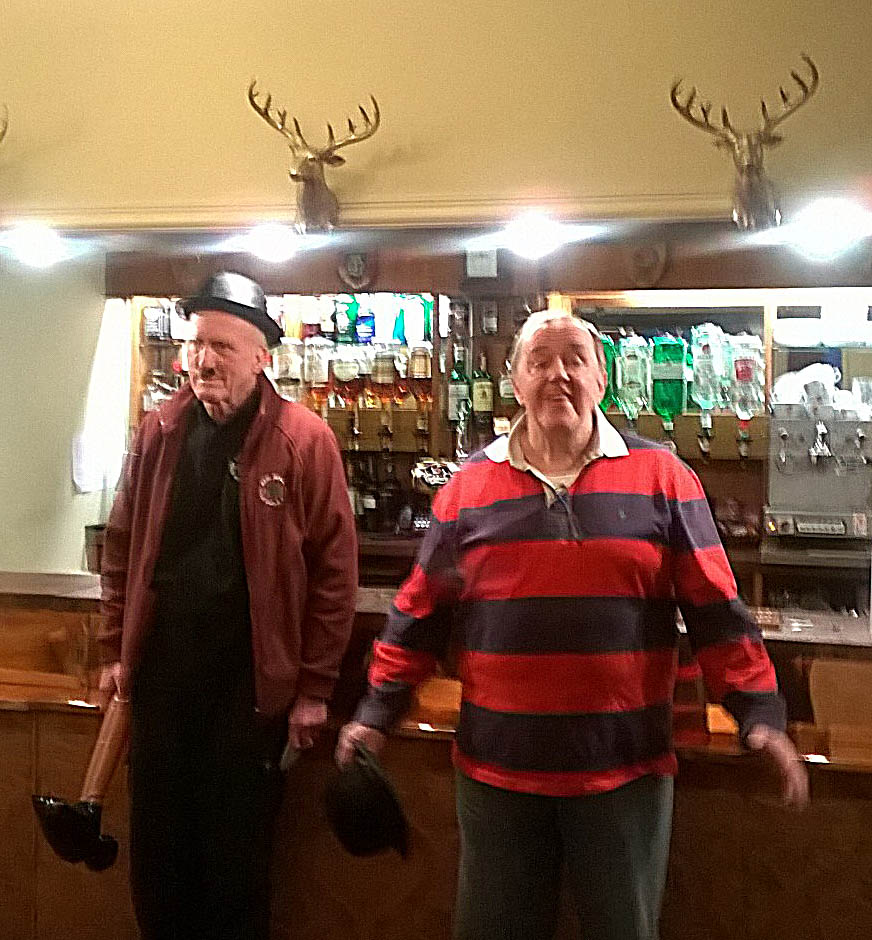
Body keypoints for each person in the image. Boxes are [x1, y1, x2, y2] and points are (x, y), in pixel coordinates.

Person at [337, 309, 807, 940]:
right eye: (540, 362)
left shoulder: (664, 478)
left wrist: (760, 717)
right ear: (514, 382)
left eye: (574, 360)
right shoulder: (467, 488)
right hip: (497, 773)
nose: (557, 375)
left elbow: (716, 611)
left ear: (602, 379)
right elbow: (419, 615)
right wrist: (375, 713)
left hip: (625, 773)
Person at [98, 271, 358, 940]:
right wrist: (114, 651)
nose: (204, 360)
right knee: (158, 861)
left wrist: (314, 689)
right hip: (162, 682)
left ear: (262, 357)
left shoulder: (304, 440)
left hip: (250, 690)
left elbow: (335, 575)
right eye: (196, 344)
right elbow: (121, 548)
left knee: (234, 867)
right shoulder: (159, 431)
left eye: (222, 346)